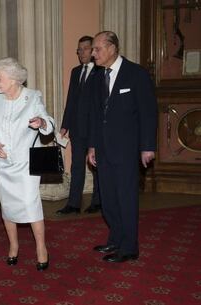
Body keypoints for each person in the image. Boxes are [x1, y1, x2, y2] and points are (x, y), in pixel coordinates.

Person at [87, 31, 157, 263]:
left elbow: (148, 113)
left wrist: (147, 147)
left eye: (97, 49)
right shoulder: (97, 77)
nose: (92, 54)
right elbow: (96, 116)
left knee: (126, 198)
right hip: (103, 149)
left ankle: (129, 247)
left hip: (127, 149)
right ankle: (116, 239)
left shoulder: (136, 74)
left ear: (112, 48)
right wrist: (92, 146)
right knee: (108, 199)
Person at [0, 57, 54, 271]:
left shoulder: (32, 97)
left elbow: (49, 123)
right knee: (8, 206)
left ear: (13, 79)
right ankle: (13, 246)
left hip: (25, 163)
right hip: (3, 163)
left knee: (31, 204)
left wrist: (41, 123)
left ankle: (41, 247)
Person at [56, 36, 102, 215]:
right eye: (79, 49)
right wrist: (65, 125)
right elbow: (71, 101)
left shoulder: (100, 71)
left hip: (94, 129)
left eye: (85, 48)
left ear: (93, 50)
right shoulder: (76, 72)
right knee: (76, 166)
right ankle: (73, 204)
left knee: (96, 166)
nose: (81, 53)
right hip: (77, 128)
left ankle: (98, 201)